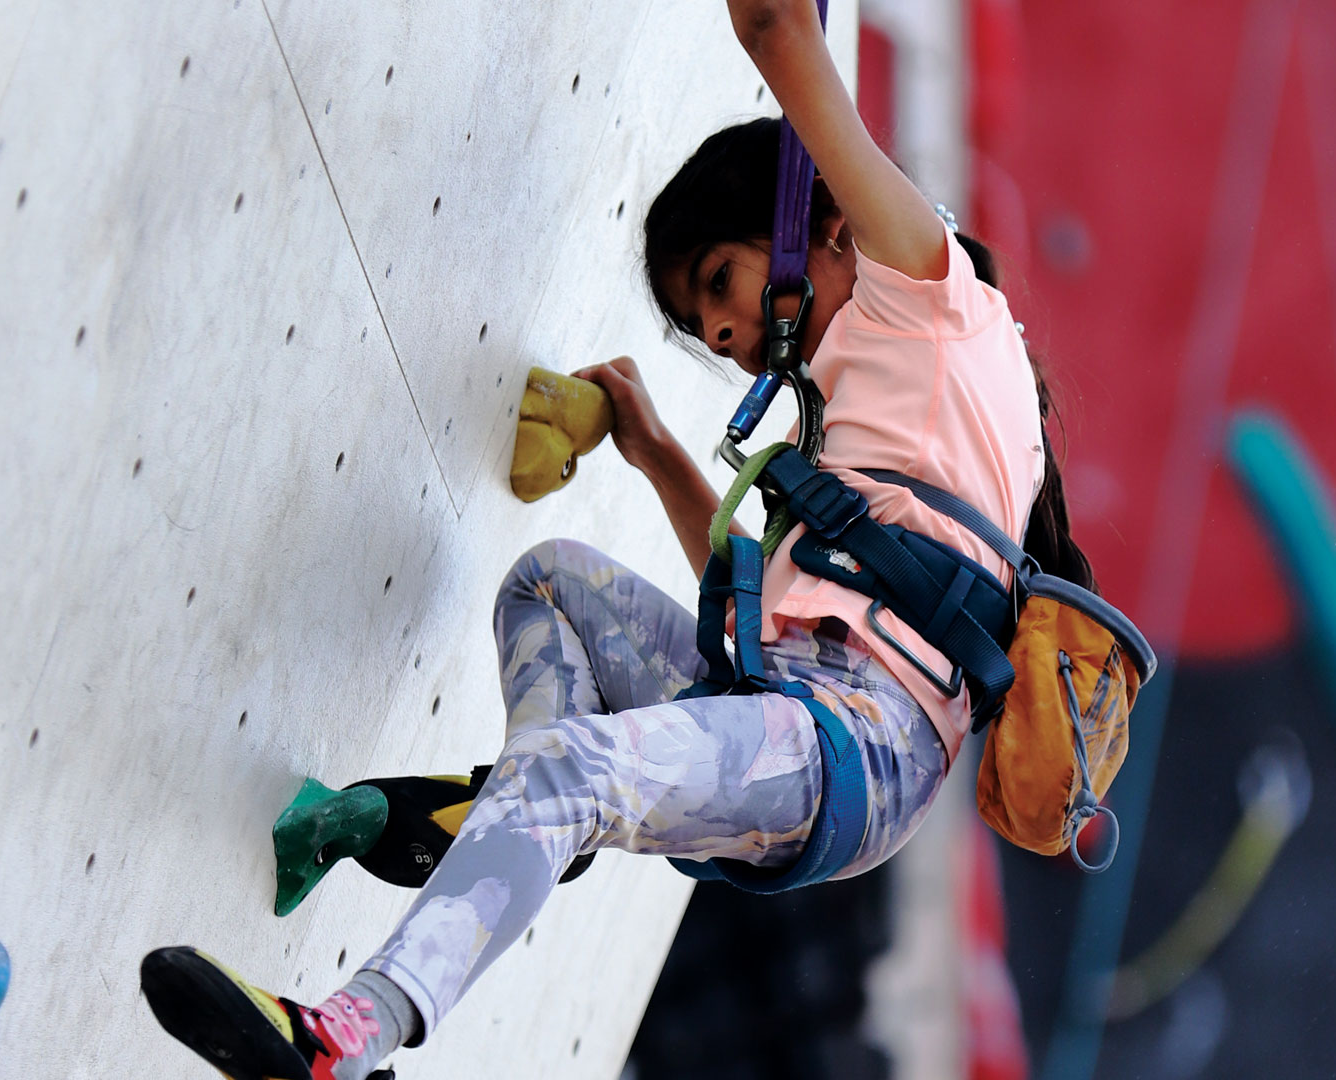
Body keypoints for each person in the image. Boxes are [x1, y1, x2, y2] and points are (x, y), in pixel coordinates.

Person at [139, 3, 1089, 1077]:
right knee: (549, 587)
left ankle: (348, 1040)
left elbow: (779, 28)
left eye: (720, 284)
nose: (725, 336)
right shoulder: (877, 413)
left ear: (822, 222)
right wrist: (652, 450)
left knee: (573, 769)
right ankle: (526, 805)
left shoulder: (925, 293)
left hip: (859, 742)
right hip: (797, 695)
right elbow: (747, 613)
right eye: (703, 325)